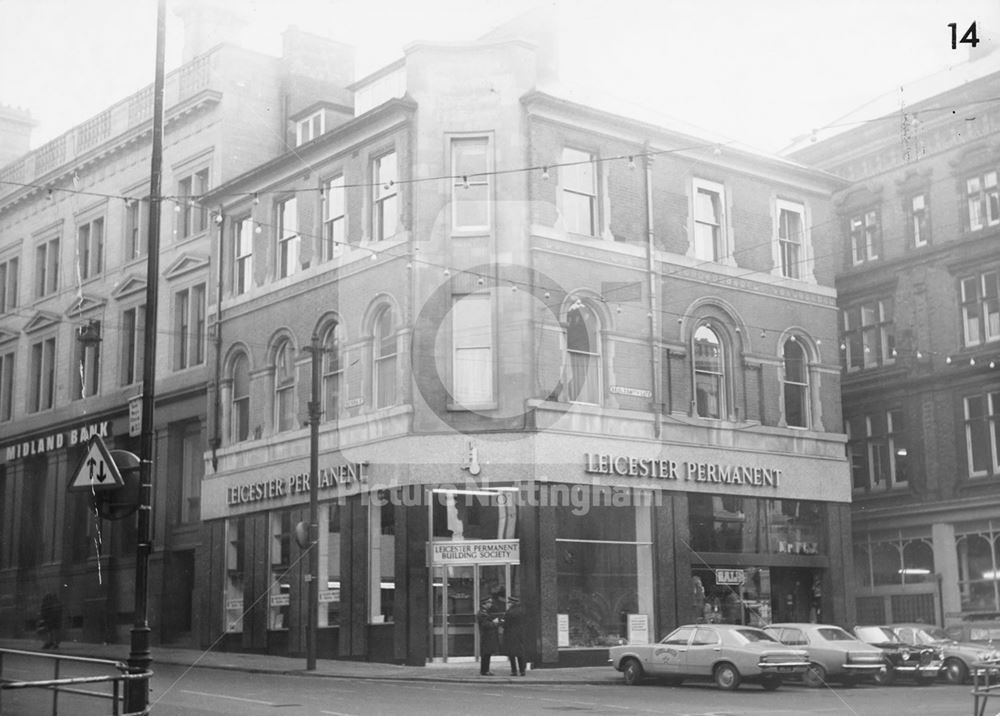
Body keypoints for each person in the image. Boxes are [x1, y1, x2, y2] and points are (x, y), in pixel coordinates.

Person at [504, 597, 528, 676]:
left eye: (509, 603)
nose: (508, 604)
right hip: (520, 634)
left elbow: (506, 624)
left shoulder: (509, 612)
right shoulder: (522, 611)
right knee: (520, 653)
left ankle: (514, 671)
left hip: (510, 634)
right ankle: (522, 670)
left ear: (512, 603)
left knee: (512, 654)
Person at [477, 597, 501, 676]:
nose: (490, 604)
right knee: (486, 654)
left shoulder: (485, 612)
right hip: (486, 636)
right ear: (485, 603)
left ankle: (485, 670)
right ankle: (485, 670)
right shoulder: (482, 613)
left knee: (487, 654)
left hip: (487, 636)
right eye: (489, 602)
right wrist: (494, 623)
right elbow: (485, 625)